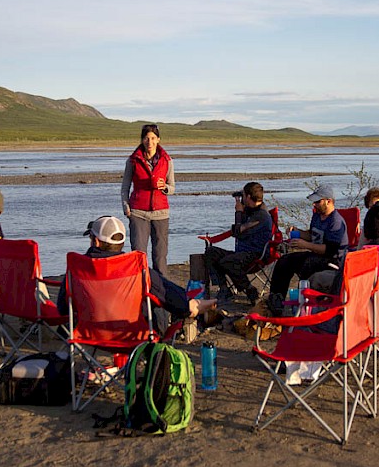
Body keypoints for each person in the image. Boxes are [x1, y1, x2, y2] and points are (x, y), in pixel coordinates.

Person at [56, 216, 215, 334]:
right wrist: (187, 306)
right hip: (131, 334)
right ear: (121, 243)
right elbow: (171, 297)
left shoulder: (78, 267)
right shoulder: (134, 267)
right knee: (164, 294)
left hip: (88, 334)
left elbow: (62, 308)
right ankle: (198, 305)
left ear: (96, 242)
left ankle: (195, 305)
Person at [266, 183, 348, 316]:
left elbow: (330, 250)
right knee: (285, 261)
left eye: (318, 201)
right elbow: (312, 235)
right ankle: (276, 299)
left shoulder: (336, 222)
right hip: (315, 254)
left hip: (332, 260)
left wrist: (305, 245)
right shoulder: (317, 216)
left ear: (329, 201)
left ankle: (304, 304)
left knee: (308, 264)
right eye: (314, 202)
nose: (314, 205)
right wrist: (297, 232)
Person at [203, 182, 273, 306]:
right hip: (242, 253)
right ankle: (224, 288)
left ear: (249, 197)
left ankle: (250, 290)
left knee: (228, 262)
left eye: (244, 196)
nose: (242, 198)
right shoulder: (251, 211)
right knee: (211, 252)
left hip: (254, 254)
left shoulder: (261, 215)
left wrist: (239, 213)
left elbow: (238, 232)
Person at [121, 124, 175, 277]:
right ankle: (140, 289)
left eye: (152, 138)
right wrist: (126, 206)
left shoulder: (167, 160)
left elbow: (172, 188)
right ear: (142, 140)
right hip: (138, 213)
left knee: (160, 256)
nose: (149, 142)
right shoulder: (133, 161)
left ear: (158, 139)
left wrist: (164, 187)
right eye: (146, 138)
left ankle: (162, 291)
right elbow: (125, 187)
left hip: (161, 213)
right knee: (138, 255)